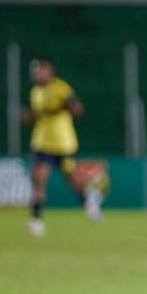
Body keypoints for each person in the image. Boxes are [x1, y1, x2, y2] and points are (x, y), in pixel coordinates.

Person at [20, 59, 102, 236]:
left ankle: (88, 200)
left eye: (41, 71)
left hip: (63, 143)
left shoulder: (61, 88)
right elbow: (39, 115)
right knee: (38, 178)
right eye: (36, 72)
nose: (38, 75)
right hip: (42, 143)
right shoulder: (35, 92)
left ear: (49, 71)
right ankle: (36, 220)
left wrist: (63, 107)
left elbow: (77, 108)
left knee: (73, 180)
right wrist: (30, 117)